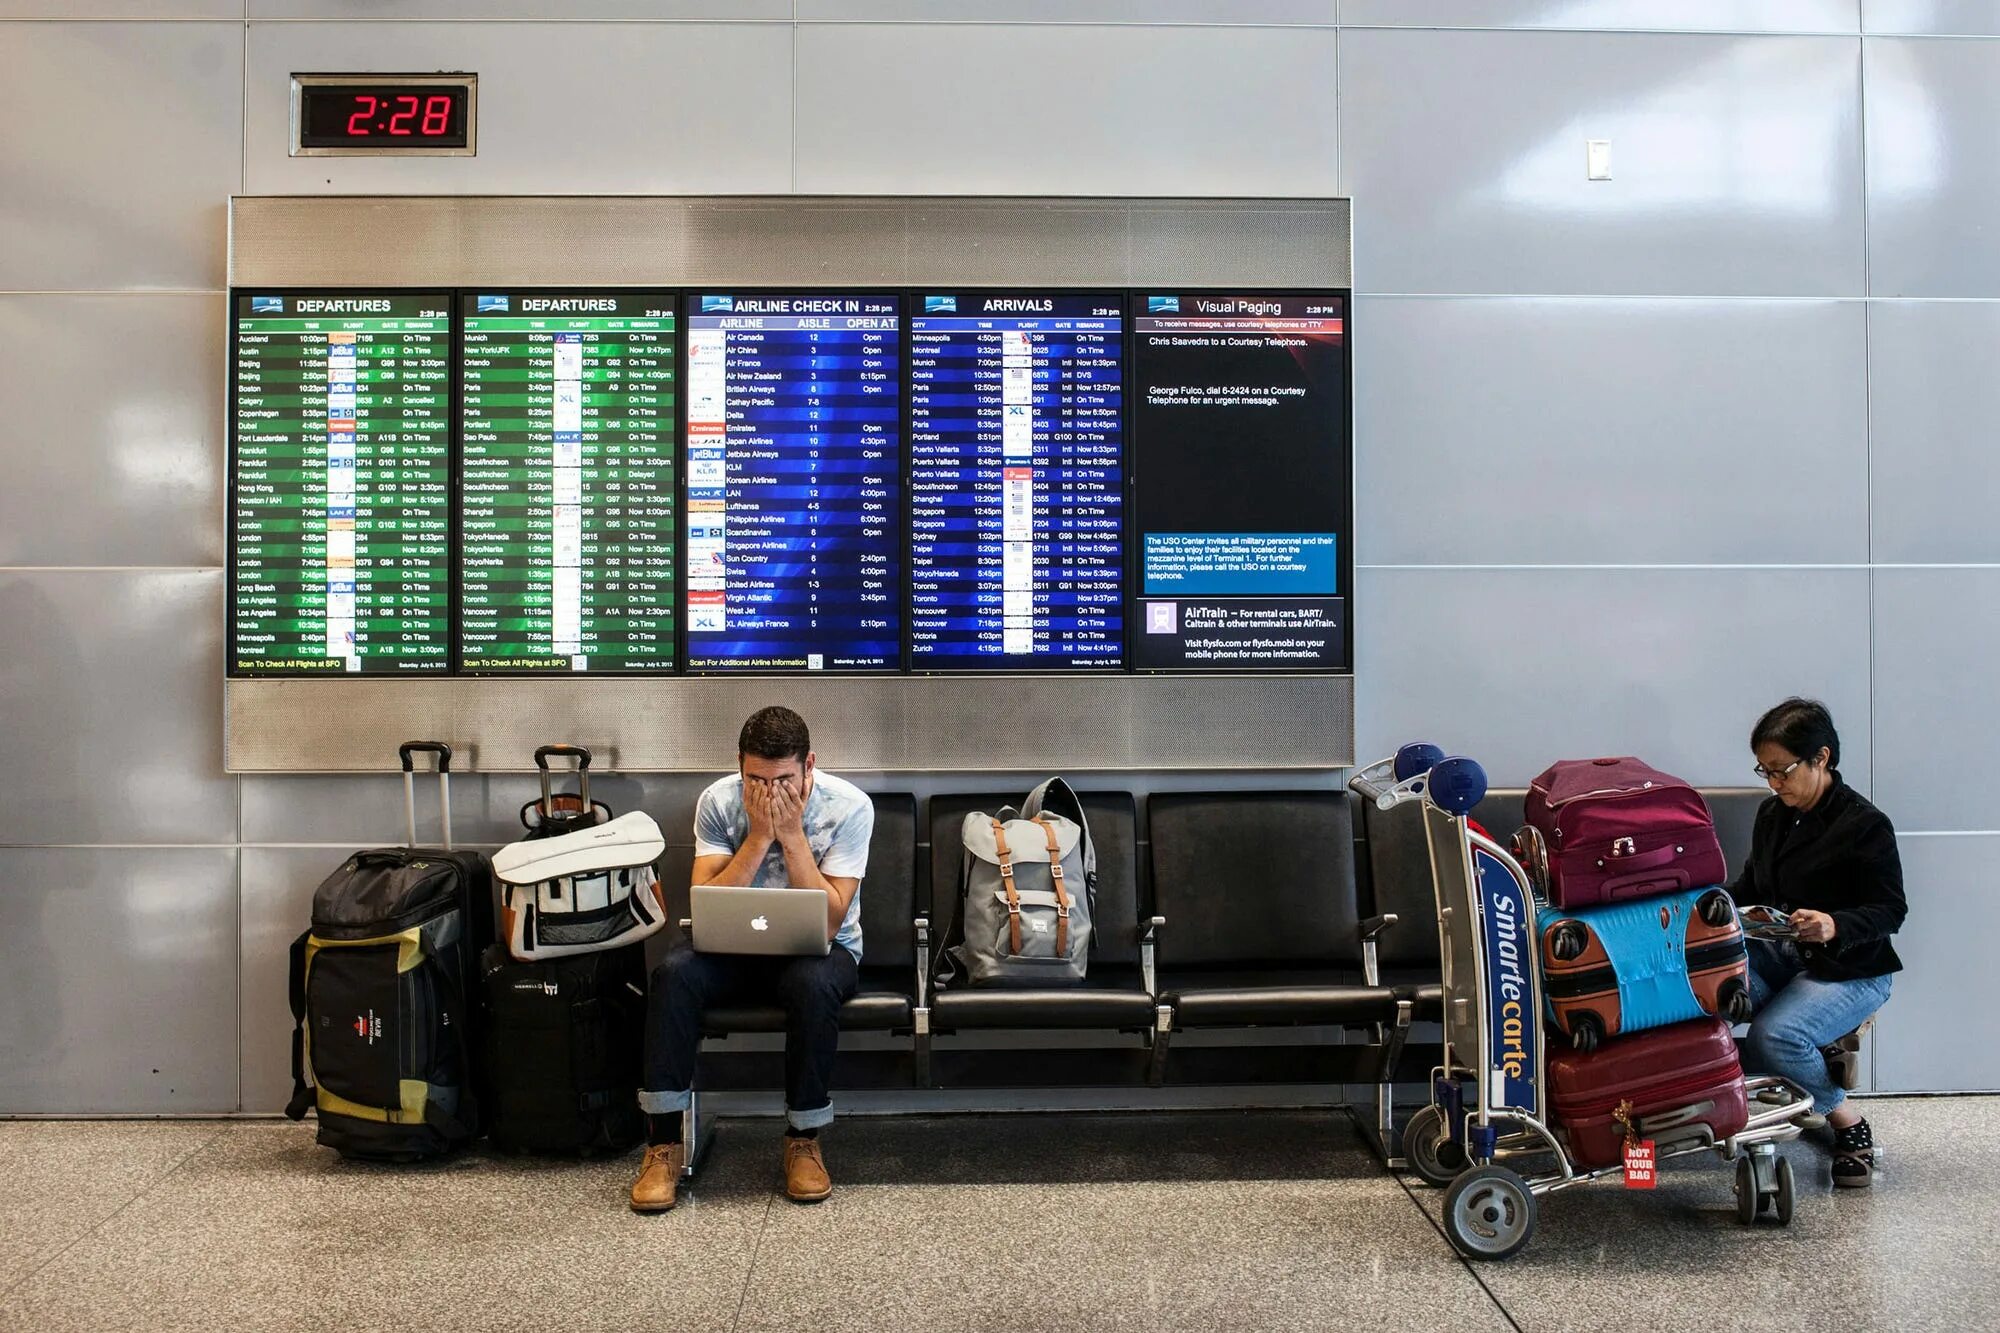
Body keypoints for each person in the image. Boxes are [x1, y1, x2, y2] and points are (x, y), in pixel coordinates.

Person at [629, 706, 873, 1212]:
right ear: (740, 768)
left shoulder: (850, 807)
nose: (768, 793)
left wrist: (792, 834)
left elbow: (830, 921)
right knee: (674, 975)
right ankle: (662, 1144)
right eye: (755, 780)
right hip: (732, 949)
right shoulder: (719, 801)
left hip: (821, 952)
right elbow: (705, 898)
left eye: (783, 779)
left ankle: (804, 1138)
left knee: (814, 985)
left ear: (809, 767)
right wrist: (760, 834)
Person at [1730, 698, 1906, 1188]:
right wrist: (1702, 905)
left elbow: (1892, 910)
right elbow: (1750, 888)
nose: (1773, 783)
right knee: (1706, 985)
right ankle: (1791, 1069)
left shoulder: (1865, 825)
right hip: (1782, 954)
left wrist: (1833, 924)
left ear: (1821, 758)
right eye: (1765, 772)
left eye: (1782, 771)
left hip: (1851, 967)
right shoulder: (1772, 815)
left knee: (1773, 1036)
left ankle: (1845, 1118)